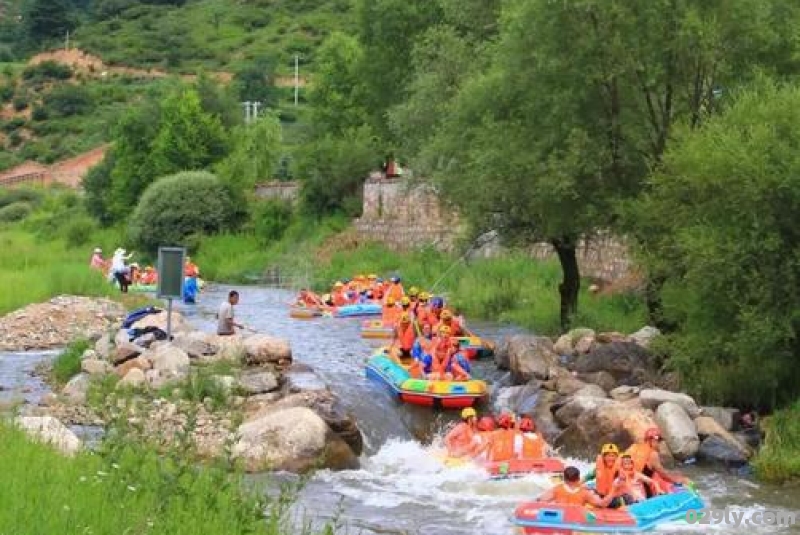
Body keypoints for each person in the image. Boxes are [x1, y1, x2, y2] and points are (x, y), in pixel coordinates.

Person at [625, 427, 690, 495]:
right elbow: (663, 474)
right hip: (640, 490)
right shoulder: (652, 454)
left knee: (656, 476)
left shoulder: (634, 447)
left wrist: (675, 474)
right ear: (653, 440)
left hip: (627, 487)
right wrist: (678, 480)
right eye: (659, 442)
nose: (659, 445)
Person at [538, 466, 618, 507]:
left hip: (560, 519)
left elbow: (541, 500)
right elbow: (602, 503)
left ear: (564, 479)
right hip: (577, 522)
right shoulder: (585, 493)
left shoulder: (556, 489)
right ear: (578, 478)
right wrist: (614, 489)